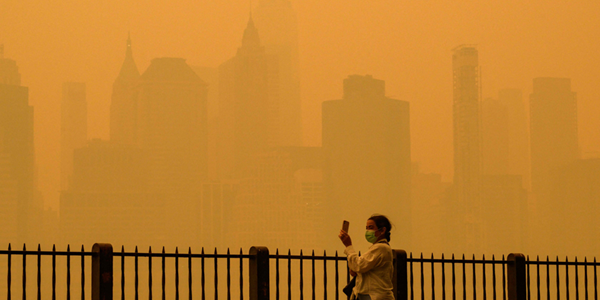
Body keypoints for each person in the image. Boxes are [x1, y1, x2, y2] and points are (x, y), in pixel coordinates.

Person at [338, 214, 395, 300]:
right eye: (367, 228)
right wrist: (358, 272)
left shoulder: (381, 248)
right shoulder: (378, 248)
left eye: (371, 227)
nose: (368, 231)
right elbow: (368, 269)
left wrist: (348, 245)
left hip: (375, 296)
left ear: (382, 230)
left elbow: (359, 265)